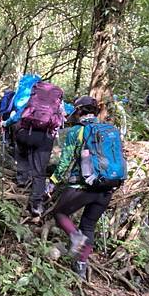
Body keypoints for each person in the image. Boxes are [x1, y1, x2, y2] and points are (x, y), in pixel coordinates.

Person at [46, 95, 121, 280]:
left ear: (79, 111)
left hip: (82, 186)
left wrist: (52, 182)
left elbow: (65, 161)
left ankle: (74, 237)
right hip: (107, 188)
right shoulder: (111, 130)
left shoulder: (77, 132)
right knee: (88, 224)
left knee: (59, 213)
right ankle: (80, 267)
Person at [1, 82, 65, 216]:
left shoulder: (31, 101)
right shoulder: (57, 106)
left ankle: (22, 179)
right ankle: (36, 204)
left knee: (22, 152)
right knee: (40, 172)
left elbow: (18, 116)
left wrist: (5, 123)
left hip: (26, 134)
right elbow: (61, 121)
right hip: (45, 138)